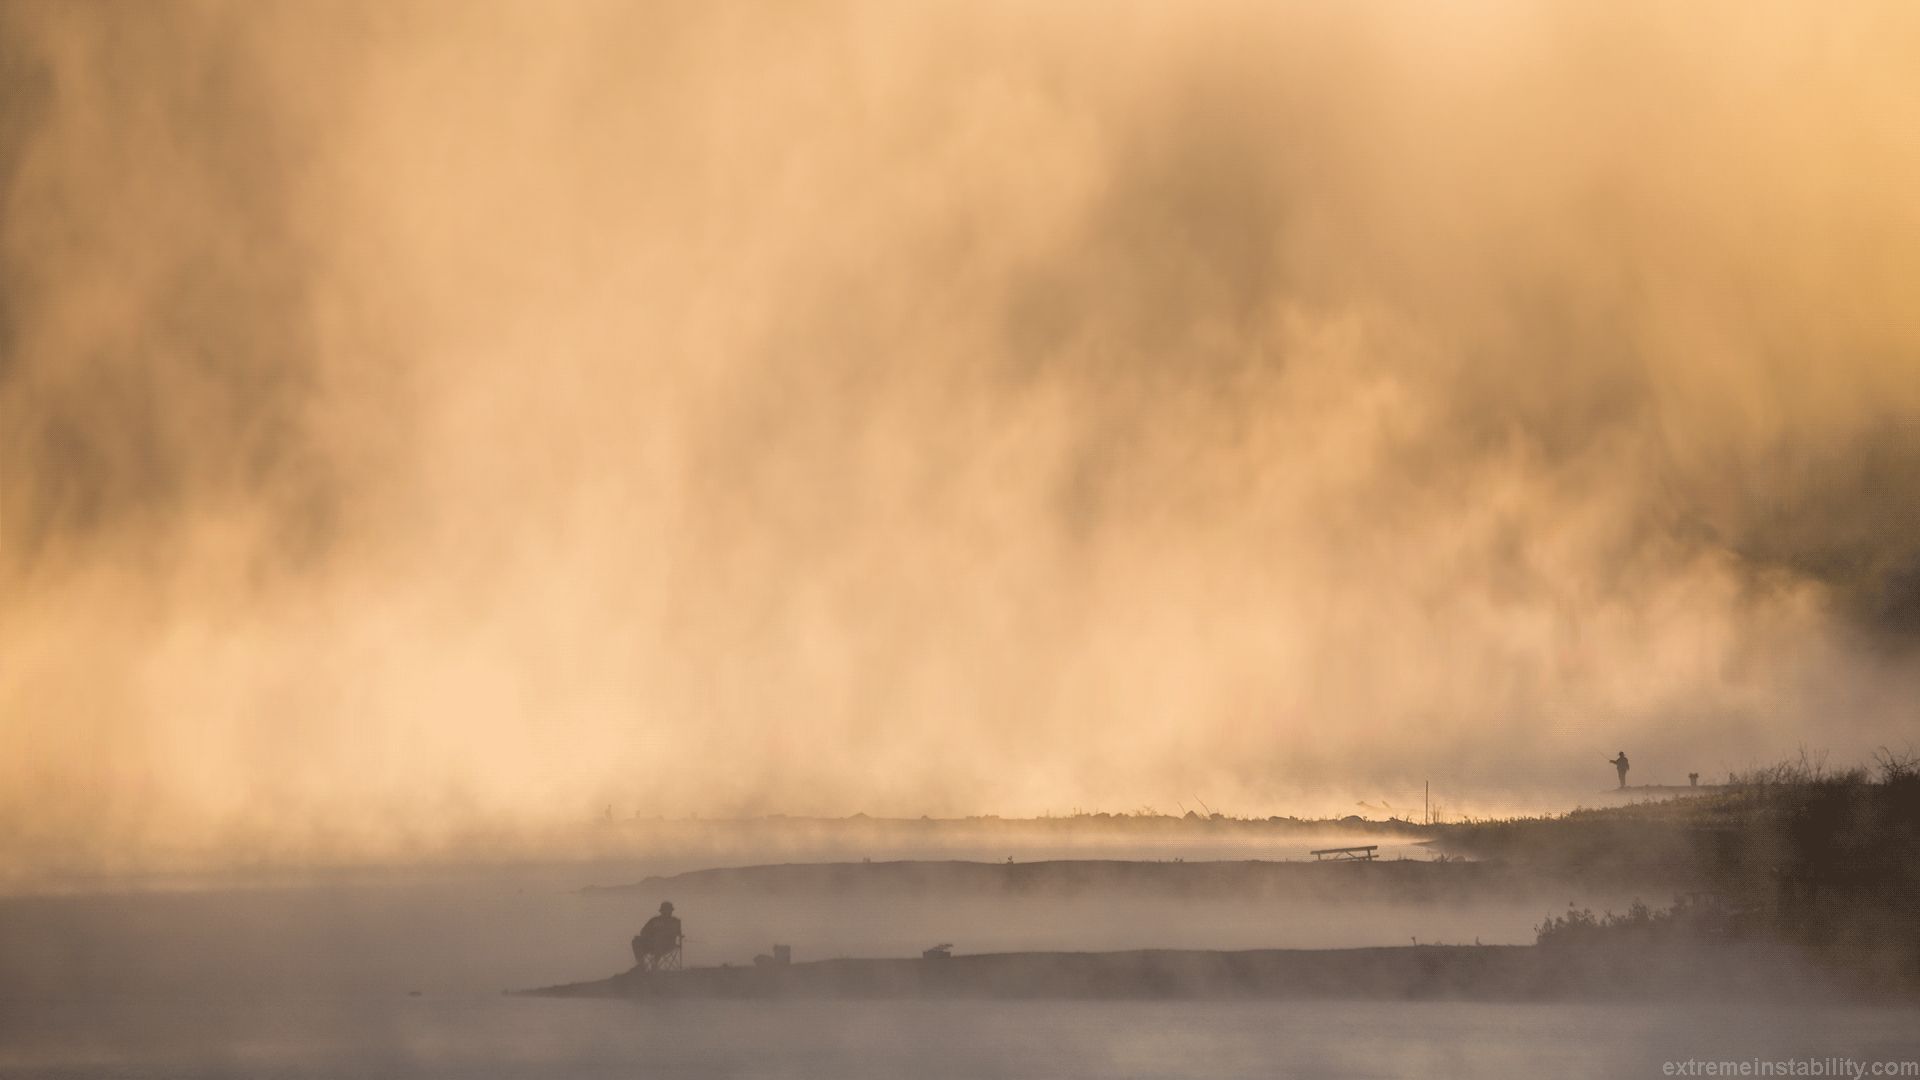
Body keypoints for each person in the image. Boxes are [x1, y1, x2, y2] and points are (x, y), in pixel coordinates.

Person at [633, 901, 682, 967]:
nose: (666, 912)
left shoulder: (675, 921)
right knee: (636, 941)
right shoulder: (654, 920)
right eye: (664, 910)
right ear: (661, 911)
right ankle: (641, 964)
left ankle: (654, 964)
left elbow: (677, 932)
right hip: (651, 943)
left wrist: (662, 934)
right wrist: (646, 936)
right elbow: (643, 931)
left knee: (659, 938)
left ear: (671, 911)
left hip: (667, 945)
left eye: (668, 910)